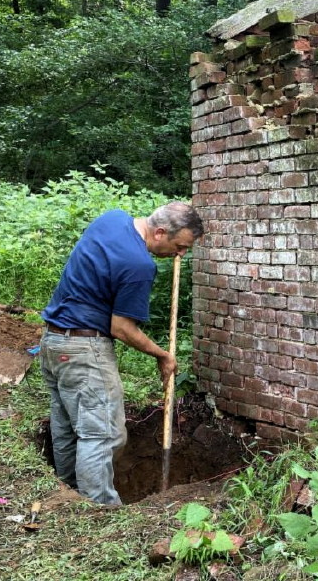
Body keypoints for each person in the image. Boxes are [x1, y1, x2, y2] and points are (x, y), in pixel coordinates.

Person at [39, 202, 204, 504]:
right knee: (103, 435)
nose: (181, 255)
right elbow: (122, 328)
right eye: (180, 246)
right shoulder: (140, 265)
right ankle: (99, 507)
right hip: (84, 350)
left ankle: (68, 495)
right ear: (160, 232)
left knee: (66, 426)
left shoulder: (112, 219)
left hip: (53, 342)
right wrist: (162, 355)